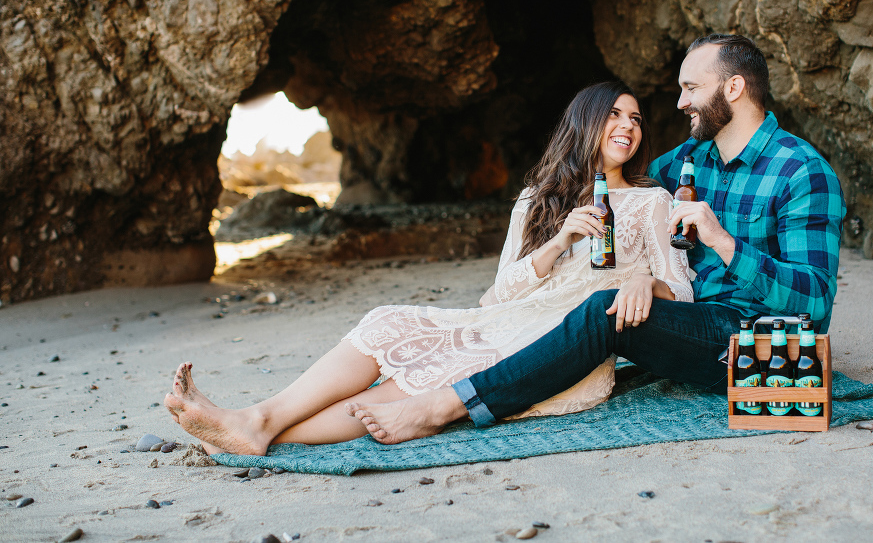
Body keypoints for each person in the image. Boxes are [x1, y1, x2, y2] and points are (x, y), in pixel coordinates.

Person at [345, 33, 847, 444]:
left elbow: (816, 302)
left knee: (601, 315)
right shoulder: (676, 166)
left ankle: (446, 406)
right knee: (589, 309)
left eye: (691, 87)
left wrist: (724, 243)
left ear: (733, 88)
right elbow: (630, 215)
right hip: (687, 321)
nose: (680, 101)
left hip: (762, 347)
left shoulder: (802, 172)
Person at [164, 81, 693, 455]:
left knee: (421, 377)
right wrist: (559, 240)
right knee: (387, 322)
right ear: (585, 123)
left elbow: (684, 297)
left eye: (636, 119)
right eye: (614, 115)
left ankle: (259, 428)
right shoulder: (537, 201)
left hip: (564, 342)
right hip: (510, 318)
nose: (628, 126)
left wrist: (643, 278)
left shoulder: (651, 203)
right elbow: (500, 294)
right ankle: (258, 419)